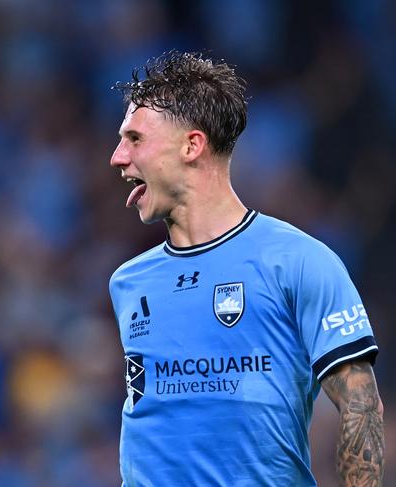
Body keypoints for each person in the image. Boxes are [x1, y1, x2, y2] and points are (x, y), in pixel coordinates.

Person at [108, 51, 384, 486]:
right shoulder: (128, 281)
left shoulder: (299, 262)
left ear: (191, 145)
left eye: (134, 139)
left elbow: (360, 406)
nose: (117, 158)